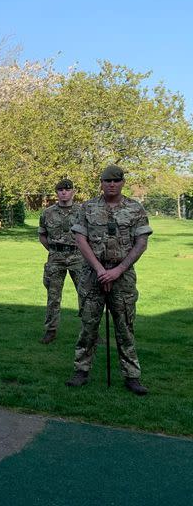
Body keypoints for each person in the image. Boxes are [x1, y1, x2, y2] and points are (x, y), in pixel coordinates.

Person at [65, 165, 151, 395]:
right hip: (92, 275)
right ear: (101, 183)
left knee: (125, 327)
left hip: (122, 277)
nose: (112, 184)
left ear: (123, 183)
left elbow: (141, 243)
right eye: (107, 181)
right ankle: (81, 370)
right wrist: (100, 269)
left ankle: (132, 376)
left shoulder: (135, 208)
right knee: (88, 325)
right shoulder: (88, 207)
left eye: (116, 181)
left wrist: (117, 271)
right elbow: (80, 239)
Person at [37, 179, 83, 343]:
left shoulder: (82, 211)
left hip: (78, 257)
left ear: (73, 192)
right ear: (56, 193)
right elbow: (42, 234)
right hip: (55, 258)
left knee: (85, 295)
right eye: (60, 190)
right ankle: (51, 330)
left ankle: (91, 331)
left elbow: (90, 235)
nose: (64, 192)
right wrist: (52, 249)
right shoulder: (47, 213)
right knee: (53, 296)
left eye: (67, 189)